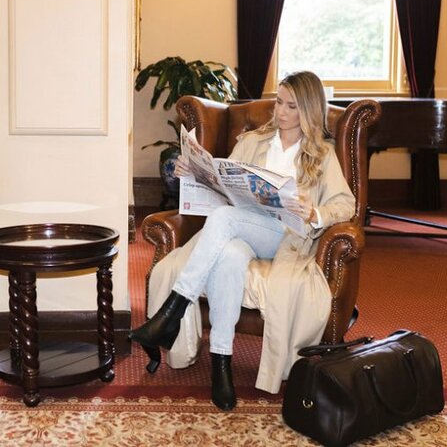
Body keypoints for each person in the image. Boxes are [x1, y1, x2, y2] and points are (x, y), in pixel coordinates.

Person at [129, 70, 356, 410]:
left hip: (287, 236)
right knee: (231, 255)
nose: (280, 112)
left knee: (224, 221)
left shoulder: (322, 153)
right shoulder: (253, 141)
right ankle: (222, 363)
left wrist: (316, 213)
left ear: (308, 110)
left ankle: (171, 311)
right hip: (244, 230)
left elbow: (346, 203)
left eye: (291, 106)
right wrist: (190, 172)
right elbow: (222, 185)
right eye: (278, 102)